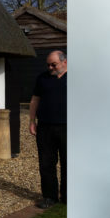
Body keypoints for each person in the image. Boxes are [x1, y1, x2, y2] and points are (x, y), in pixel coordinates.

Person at [29, 50, 67, 209]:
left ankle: (68, 197)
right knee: (46, 163)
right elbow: (34, 100)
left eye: (54, 64)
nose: (50, 67)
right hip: (45, 127)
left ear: (64, 62)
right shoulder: (42, 78)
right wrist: (32, 121)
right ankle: (49, 197)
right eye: (48, 65)